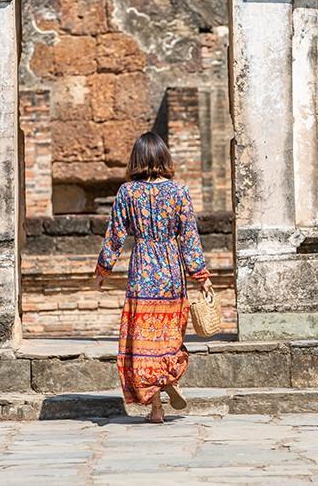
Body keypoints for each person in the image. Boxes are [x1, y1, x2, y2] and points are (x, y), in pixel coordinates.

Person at [94, 132, 213, 423]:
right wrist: (201, 276)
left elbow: (115, 235)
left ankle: (156, 408)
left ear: (136, 159)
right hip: (171, 272)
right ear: (164, 157)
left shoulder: (127, 192)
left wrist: (103, 270)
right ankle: (167, 376)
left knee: (143, 339)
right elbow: (189, 239)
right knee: (169, 334)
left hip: (142, 271)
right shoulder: (179, 192)